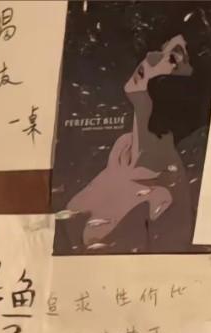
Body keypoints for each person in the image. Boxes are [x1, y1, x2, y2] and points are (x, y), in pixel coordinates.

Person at [64, 31, 203, 251]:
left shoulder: (163, 195)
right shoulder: (123, 149)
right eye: (160, 49)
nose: (150, 57)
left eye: (173, 58)